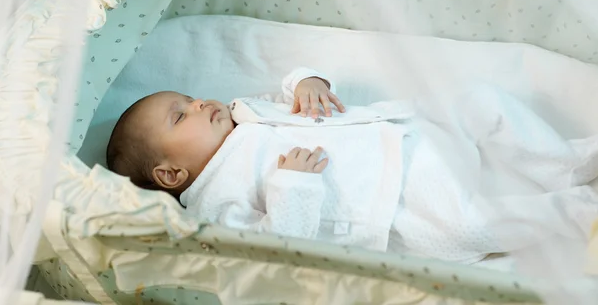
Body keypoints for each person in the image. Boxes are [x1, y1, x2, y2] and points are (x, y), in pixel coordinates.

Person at [106, 67, 598, 263]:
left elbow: (287, 88)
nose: (199, 105)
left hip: (407, 133)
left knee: (477, 98)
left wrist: (307, 83)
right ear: (172, 173)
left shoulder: (243, 111)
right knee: (474, 226)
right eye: (181, 115)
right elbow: (280, 249)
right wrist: (290, 186)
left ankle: (568, 164)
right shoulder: (216, 203)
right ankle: (582, 209)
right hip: (398, 207)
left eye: (189, 99)